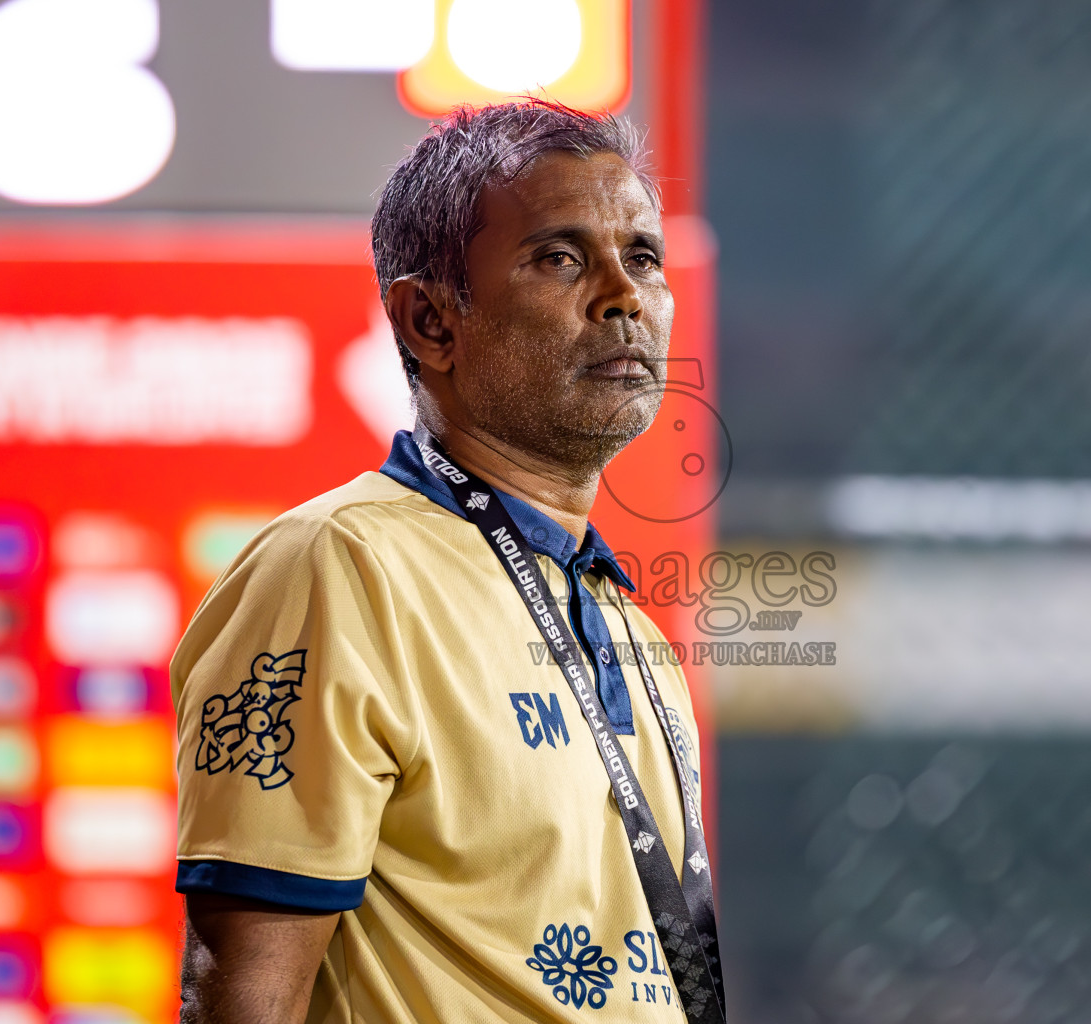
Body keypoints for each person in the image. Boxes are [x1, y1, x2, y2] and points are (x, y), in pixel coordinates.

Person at [172, 101, 725, 1024]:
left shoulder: (625, 620)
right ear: (430, 320)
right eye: (559, 257)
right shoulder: (338, 570)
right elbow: (240, 998)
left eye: (642, 256)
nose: (623, 294)